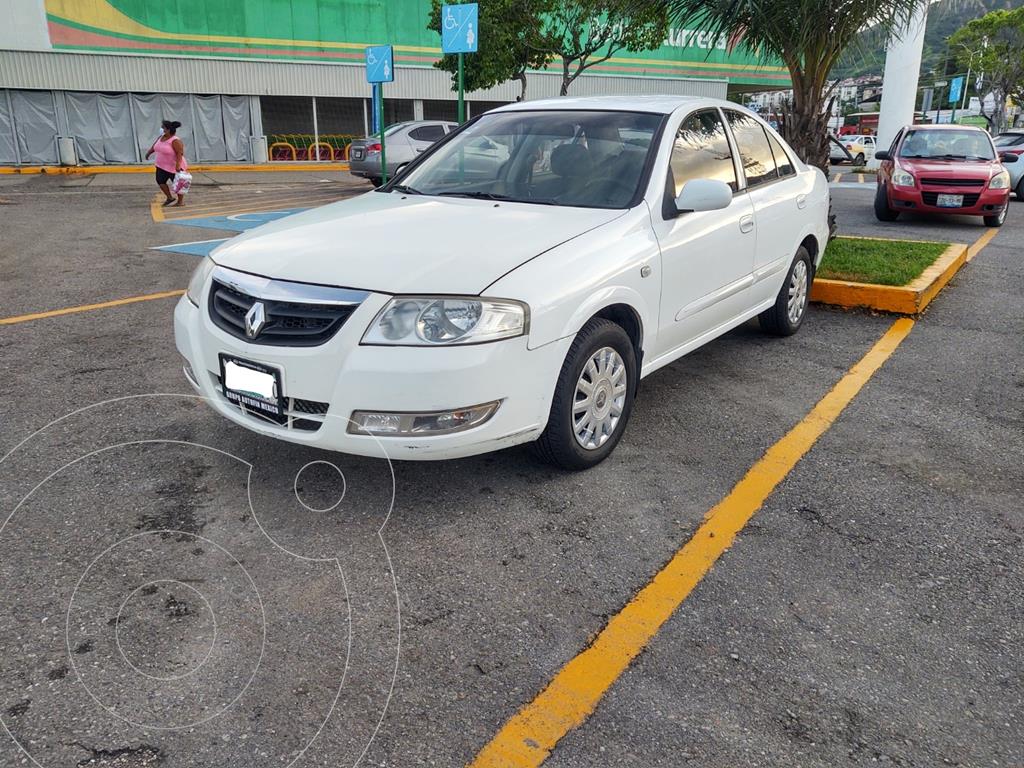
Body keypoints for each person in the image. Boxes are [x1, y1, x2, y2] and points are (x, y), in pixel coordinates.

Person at [145, 120, 189, 207]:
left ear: (168, 130)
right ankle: (169, 197)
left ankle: (180, 201)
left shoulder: (175, 140)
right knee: (160, 181)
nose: (161, 129)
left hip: (173, 166)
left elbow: (179, 153)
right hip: (161, 165)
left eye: (163, 127)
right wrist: (149, 153)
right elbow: (155, 146)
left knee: (177, 184)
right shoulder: (161, 137)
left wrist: (178, 165)